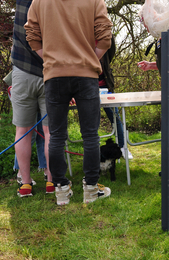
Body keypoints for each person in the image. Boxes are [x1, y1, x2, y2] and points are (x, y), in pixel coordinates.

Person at [25, 0, 113, 205]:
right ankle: (91, 189)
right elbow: (105, 37)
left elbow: (32, 37)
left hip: (54, 75)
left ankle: (61, 191)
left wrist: (50, 60)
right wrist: (91, 58)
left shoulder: (39, 1)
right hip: (86, 75)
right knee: (90, 135)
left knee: (56, 135)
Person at [11, 0, 53, 197]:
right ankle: (52, 181)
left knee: (22, 131)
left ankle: (25, 184)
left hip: (22, 70)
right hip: (50, 70)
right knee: (50, 131)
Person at [98, 36, 133, 159]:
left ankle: (123, 148)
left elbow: (111, 48)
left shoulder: (106, 42)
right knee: (92, 124)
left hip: (107, 88)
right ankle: (94, 152)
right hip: (90, 89)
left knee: (116, 118)